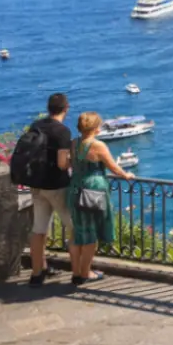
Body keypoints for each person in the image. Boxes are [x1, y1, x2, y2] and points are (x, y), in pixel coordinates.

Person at [67, 112, 134, 285]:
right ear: (96, 128)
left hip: (75, 188)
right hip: (92, 190)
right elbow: (113, 167)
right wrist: (126, 175)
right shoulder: (98, 146)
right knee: (91, 233)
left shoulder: (74, 143)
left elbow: (70, 163)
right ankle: (85, 273)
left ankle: (76, 272)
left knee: (77, 231)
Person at [28, 93, 77, 286]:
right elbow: (62, 163)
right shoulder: (62, 132)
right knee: (75, 228)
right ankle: (79, 272)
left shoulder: (36, 125)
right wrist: (75, 161)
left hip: (37, 184)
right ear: (66, 108)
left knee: (38, 230)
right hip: (57, 185)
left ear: (49, 108)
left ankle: (37, 272)